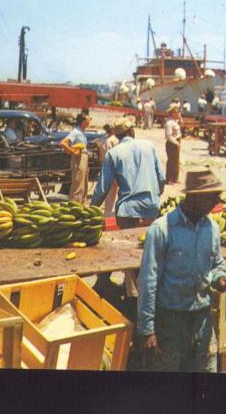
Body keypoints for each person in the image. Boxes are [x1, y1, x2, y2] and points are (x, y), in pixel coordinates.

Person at [137, 169, 226, 372]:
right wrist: (147, 330)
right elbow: (148, 281)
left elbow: (216, 264)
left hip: (203, 319)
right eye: (212, 196)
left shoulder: (212, 228)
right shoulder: (161, 229)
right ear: (194, 197)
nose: (218, 201)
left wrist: (221, 278)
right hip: (171, 321)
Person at [91, 116, 166, 308]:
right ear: (132, 131)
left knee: (130, 256)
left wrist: (91, 210)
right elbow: (161, 178)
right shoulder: (149, 146)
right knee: (149, 254)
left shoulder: (113, 153)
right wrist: (154, 197)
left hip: (127, 212)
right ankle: (147, 297)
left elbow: (102, 188)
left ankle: (137, 299)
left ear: (116, 135)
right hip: (151, 209)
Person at [60, 113, 91, 203]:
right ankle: (75, 204)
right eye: (88, 120)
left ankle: (82, 203)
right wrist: (72, 151)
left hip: (84, 158)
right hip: (79, 159)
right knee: (78, 183)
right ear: (83, 122)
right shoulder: (75, 132)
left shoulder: (82, 132)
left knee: (84, 183)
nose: (89, 122)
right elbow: (63, 143)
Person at [97, 122, 120, 218]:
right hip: (113, 167)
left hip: (104, 165)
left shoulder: (102, 139)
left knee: (108, 190)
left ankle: (108, 211)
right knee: (113, 190)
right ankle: (110, 212)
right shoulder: (113, 140)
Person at [164, 104, 182, 184]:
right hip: (172, 143)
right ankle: (169, 179)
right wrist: (176, 143)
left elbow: (182, 123)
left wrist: (180, 117)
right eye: (176, 112)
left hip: (177, 141)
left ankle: (175, 178)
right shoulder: (169, 122)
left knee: (176, 161)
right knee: (171, 161)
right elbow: (168, 136)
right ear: (172, 113)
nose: (178, 113)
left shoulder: (175, 121)